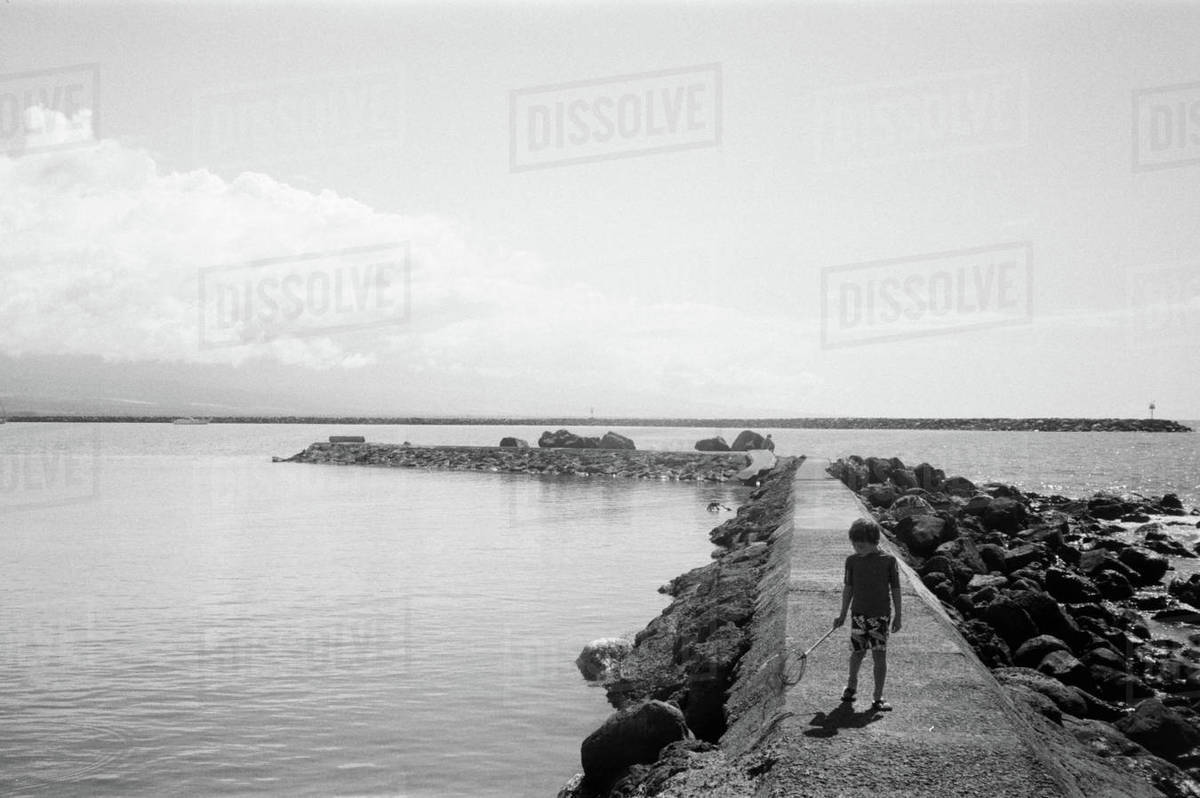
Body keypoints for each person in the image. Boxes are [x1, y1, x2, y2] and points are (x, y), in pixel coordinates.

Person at [833, 517, 902, 712]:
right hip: (859, 616)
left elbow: (896, 589)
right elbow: (848, 588)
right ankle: (851, 686)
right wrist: (842, 614)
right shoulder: (852, 561)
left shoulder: (889, 561)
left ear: (875, 541)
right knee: (857, 653)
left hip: (880, 617)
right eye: (854, 543)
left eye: (862, 544)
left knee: (879, 657)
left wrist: (899, 615)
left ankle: (878, 697)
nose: (857, 547)